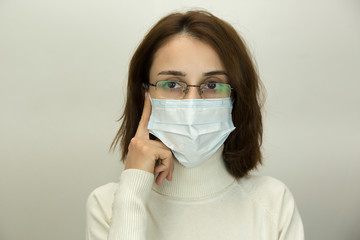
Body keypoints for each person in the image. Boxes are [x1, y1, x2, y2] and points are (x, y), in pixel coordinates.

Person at [86, 10, 304, 240]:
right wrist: (131, 193)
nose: (192, 103)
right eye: (171, 84)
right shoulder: (108, 204)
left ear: (235, 97)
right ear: (145, 94)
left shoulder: (274, 202)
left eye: (212, 85)